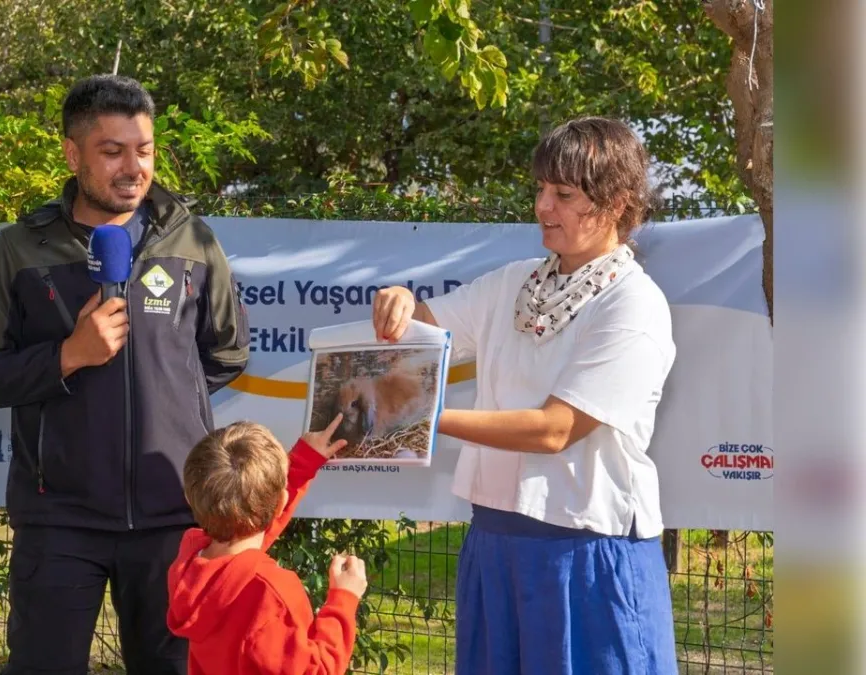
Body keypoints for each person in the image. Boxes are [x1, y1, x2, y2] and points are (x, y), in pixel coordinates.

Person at [0, 74, 251, 675]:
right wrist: (67, 357)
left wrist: (164, 400)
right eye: (112, 151)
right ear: (73, 154)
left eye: (144, 150)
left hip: (174, 517)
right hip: (58, 519)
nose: (133, 168)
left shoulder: (193, 240)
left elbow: (226, 353)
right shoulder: (19, 250)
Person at [371, 116, 678, 675]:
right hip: (495, 539)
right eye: (540, 189)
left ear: (617, 203)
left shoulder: (633, 305)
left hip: (587, 552)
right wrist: (400, 302)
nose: (542, 206)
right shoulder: (514, 281)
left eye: (564, 194)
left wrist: (422, 416)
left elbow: (555, 430)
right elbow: (424, 328)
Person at [165, 414, 367, 675]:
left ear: (189, 497)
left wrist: (305, 460)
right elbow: (316, 671)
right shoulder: (269, 592)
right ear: (281, 503)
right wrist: (343, 599)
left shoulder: (193, 563)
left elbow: (247, 530)